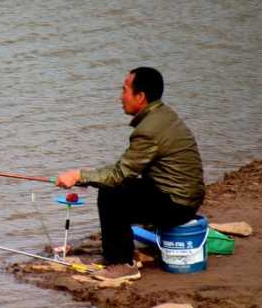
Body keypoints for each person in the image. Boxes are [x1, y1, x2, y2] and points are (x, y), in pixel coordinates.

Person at [56, 67, 205, 282]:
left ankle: (122, 264)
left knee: (111, 194)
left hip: (179, 205)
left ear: (140, 96)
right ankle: (119, 255)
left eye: (124, 90)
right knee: (116, 187)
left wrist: (78, 175)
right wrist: (87, 179)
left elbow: (119, 174)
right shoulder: (162, 115)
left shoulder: (149, 130)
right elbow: (129, 169)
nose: (120, 97)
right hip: (185, 197)